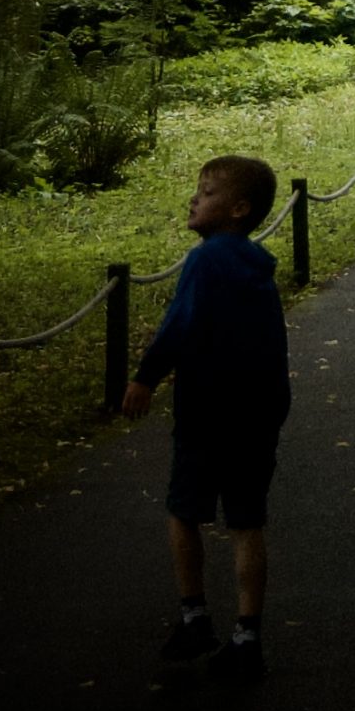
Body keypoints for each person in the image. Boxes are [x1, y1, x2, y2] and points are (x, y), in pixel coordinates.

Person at [124, 154, 291, 681]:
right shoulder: (256, 267)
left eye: (208, 192)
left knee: (184, 511)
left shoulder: (205, 261)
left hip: (208, 411)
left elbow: (182, 322)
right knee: (246, 522)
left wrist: (145, 376)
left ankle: (195, 615)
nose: (195, 199)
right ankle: (248, 636)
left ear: (239, 209)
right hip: (258, 412)